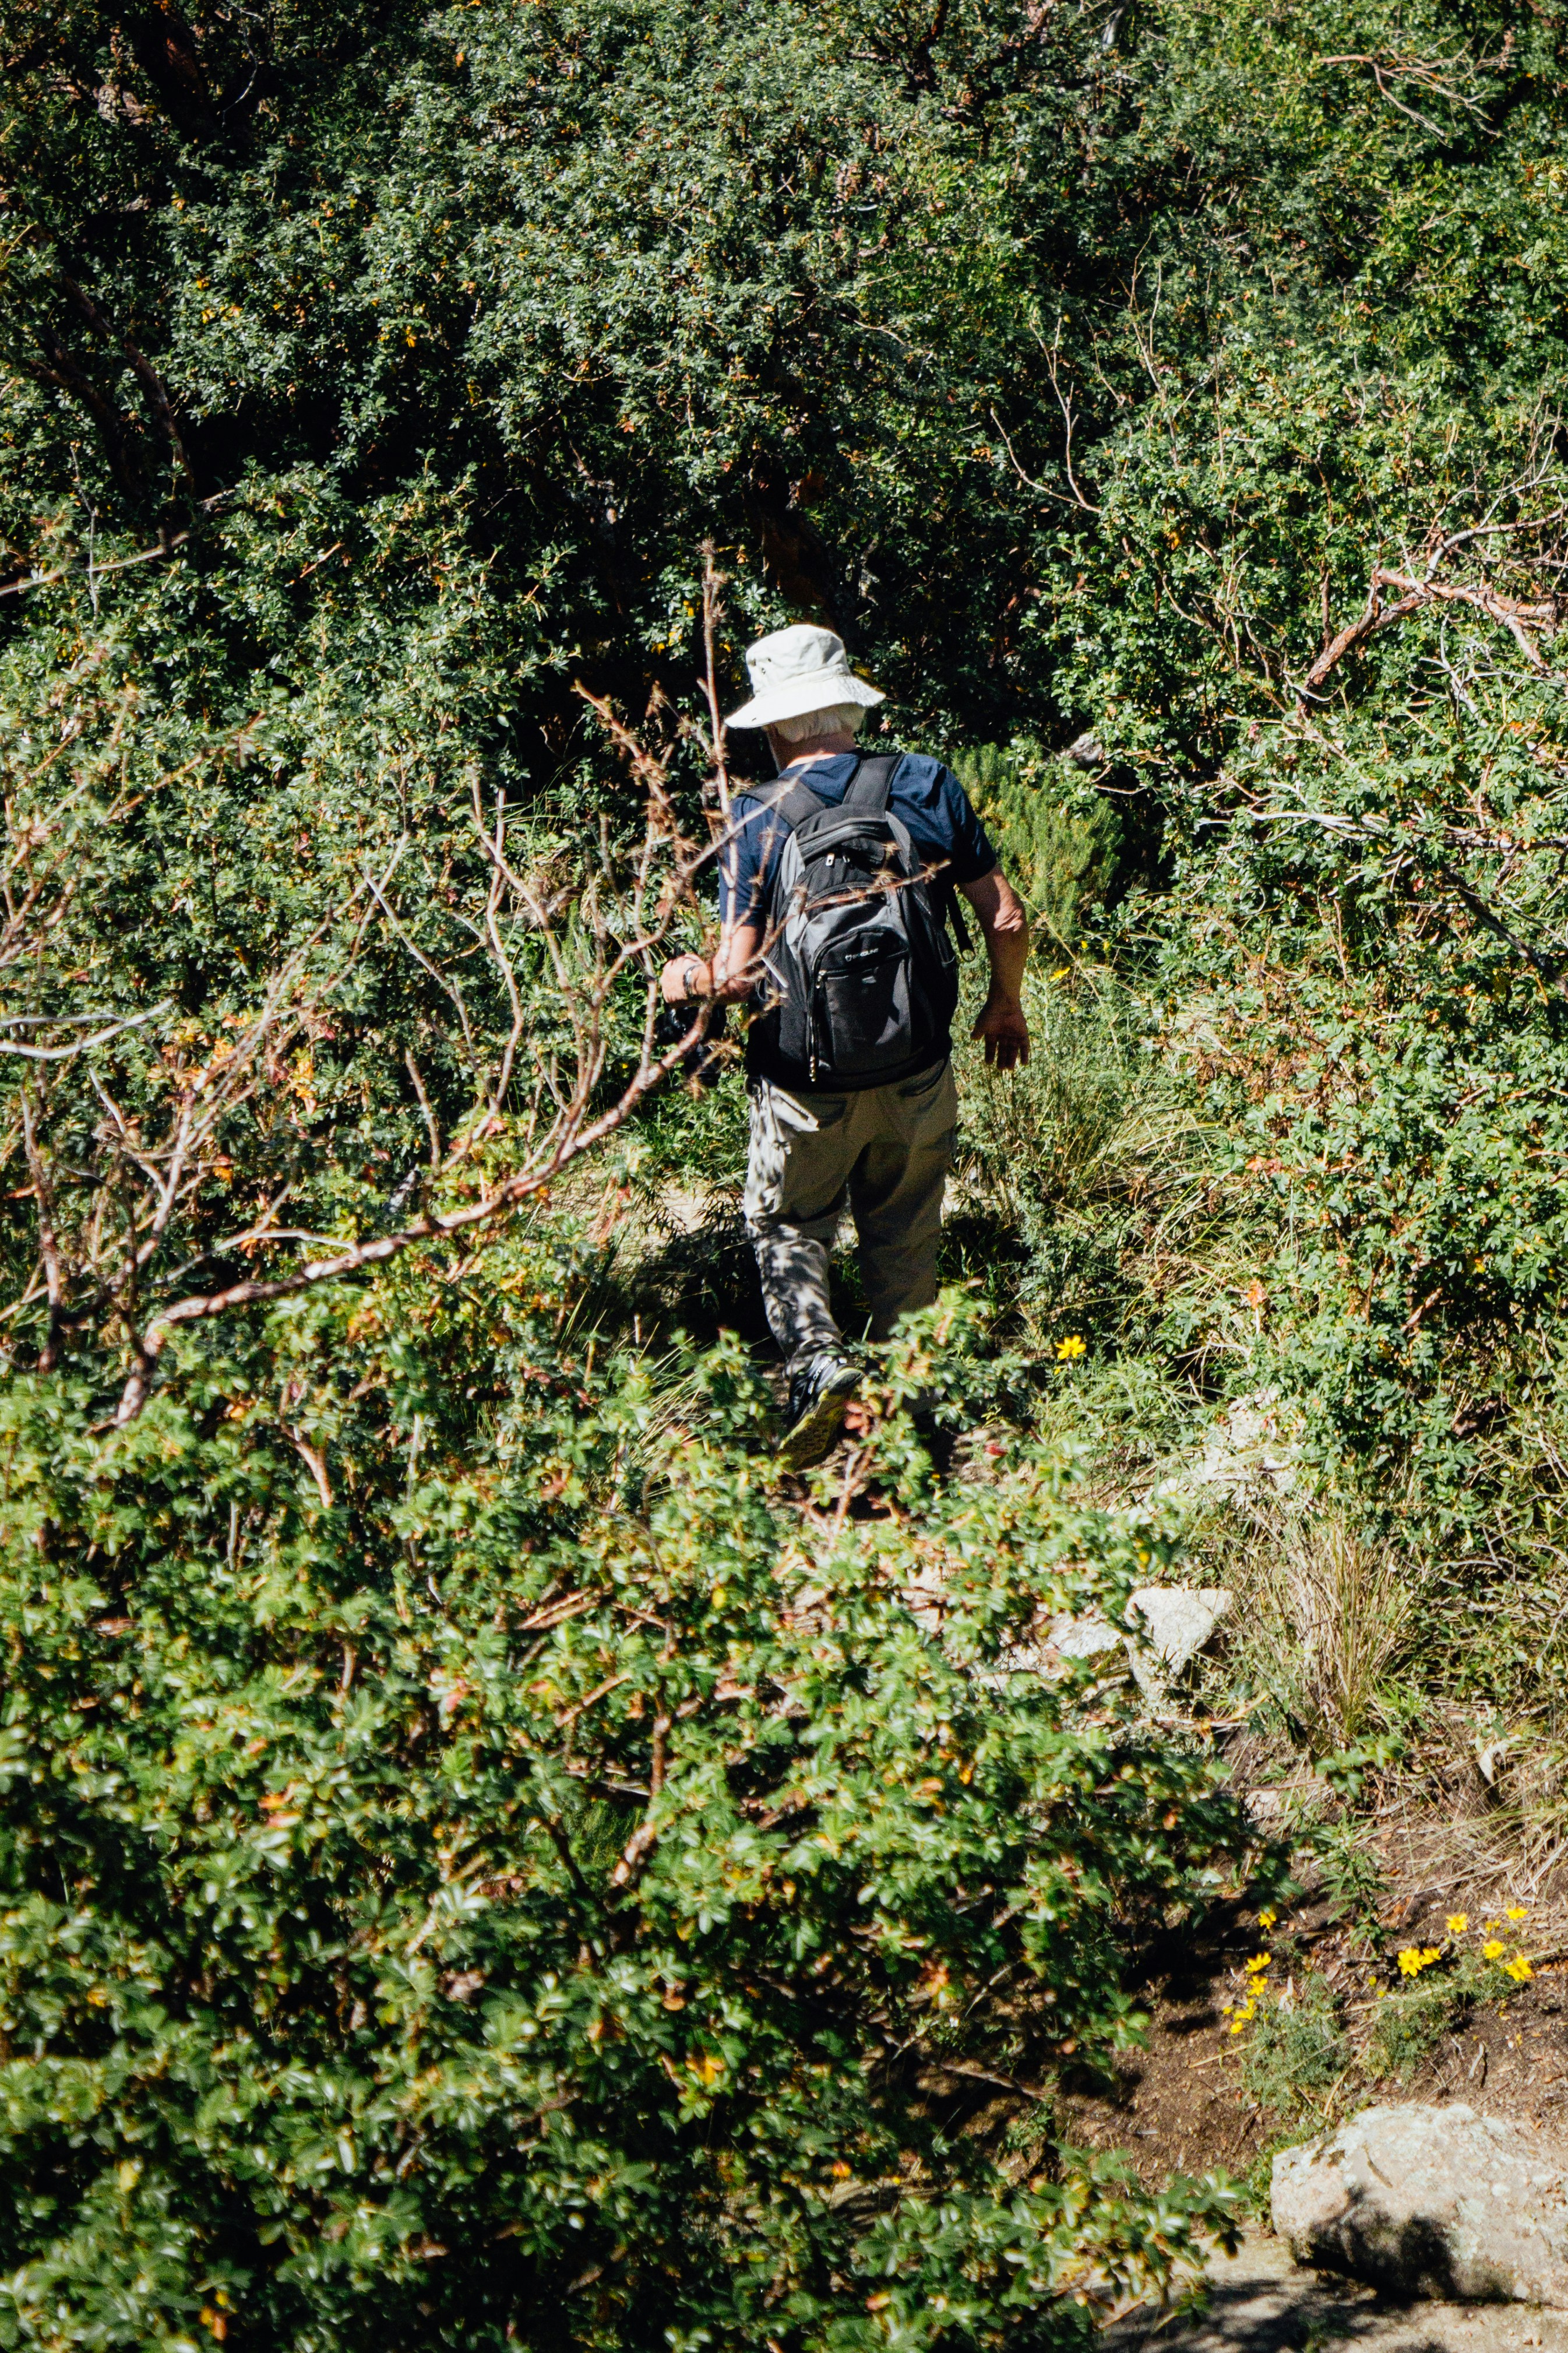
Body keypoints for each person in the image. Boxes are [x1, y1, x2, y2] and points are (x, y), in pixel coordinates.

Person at [660, 621, 1030, 1468]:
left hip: (802, 1084)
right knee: (905, 1237)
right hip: (918, 1069)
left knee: (789, 1225)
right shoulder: (927, 783)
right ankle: (916, 1423)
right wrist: (1003, 1007)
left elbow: (735, 974)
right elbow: (1004, 915)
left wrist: (678, 978)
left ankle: (820, 1366)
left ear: (775, 722)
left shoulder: (756, 815)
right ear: (846, 704)